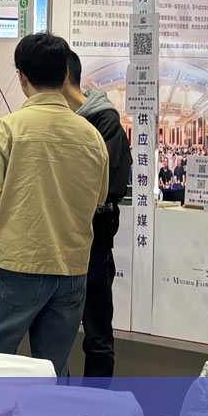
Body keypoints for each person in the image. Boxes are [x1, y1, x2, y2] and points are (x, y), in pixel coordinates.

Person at [0, 32, 108, 376]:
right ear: (66, 74)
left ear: (21, 77)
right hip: (72, 268)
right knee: (53, 369)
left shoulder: (7, 130)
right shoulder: (92, 136)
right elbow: (99, 197)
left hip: (15, 263)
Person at [63, 50, 127, 380]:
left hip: (94, 245)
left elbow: (109, 187)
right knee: (55, 339)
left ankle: (96, 403)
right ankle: (53, 404)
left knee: (97, 335)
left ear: (62, 76)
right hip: (57, 241)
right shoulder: (59, 120)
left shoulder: (105, 121)